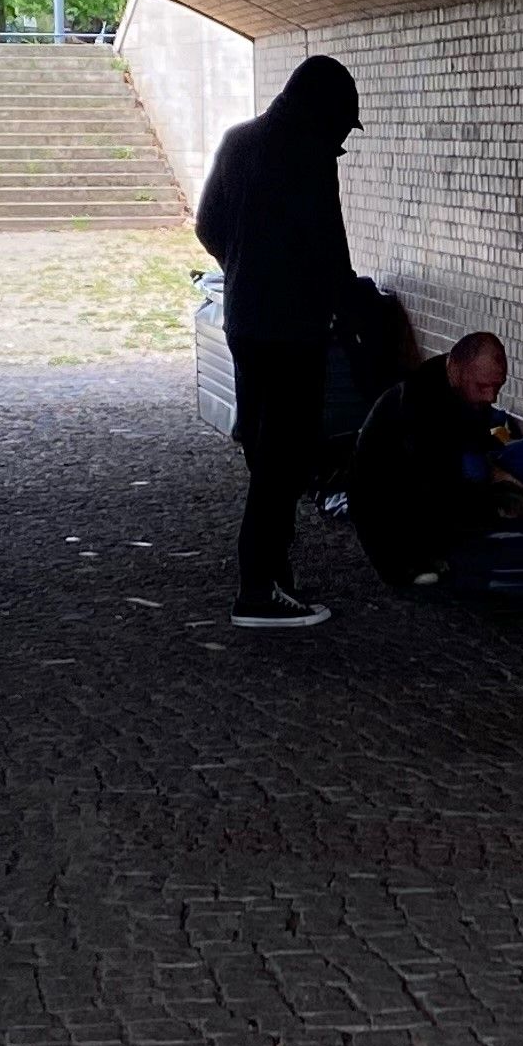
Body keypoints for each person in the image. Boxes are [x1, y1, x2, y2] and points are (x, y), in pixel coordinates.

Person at [194, 54, 361, 628]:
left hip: (244, 321)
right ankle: (259, 589)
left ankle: (271, 574)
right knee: (284, 459)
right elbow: (330, 248)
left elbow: (207, 224)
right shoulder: (311, 156)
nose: (341, 141)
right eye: (343, 127)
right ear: (326, 113)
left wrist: (243, 269)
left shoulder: (239, 141)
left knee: (264, 449)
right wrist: (348, 312)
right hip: (293, 331)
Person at [350, 332, 523, 590]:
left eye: (497, 387)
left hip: (452, 481)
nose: (491, 397)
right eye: (483, 387)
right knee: (472, 469)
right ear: (458, 369)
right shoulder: (418, 403)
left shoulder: (465, 389)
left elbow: (480, 447)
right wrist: (497, 498)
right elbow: (436, 481)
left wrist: (512, 484)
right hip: (402, 514)